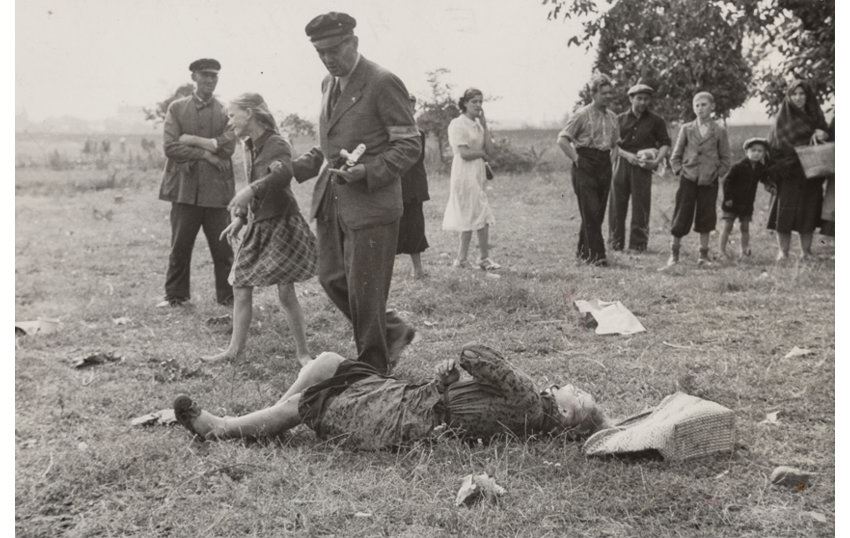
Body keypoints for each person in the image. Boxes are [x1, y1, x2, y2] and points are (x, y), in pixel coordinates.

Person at [290, 12, 420, 373]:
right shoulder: (326, 85)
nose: (329, 58)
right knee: (331, 278)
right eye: (321, 52)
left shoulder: (382, 82)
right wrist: (290, 169)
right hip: (332, 201)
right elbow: (329, 144)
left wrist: (368, 171)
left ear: (354, 43)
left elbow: (409, 145)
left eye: (334, 49)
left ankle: (374, 368)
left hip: (371, 205)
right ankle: (392, 330)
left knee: (366, 290)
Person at [173, 344, 609, 449]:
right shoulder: (530, 409)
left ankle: (222, 428)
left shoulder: (530, 399)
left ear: (566, 411)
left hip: (406, 414)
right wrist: (451, 377)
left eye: (579, 393)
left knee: (308, 403)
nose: (572, 384)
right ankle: (268, 422)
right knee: (326, 364)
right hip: (416, 397)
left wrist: (463, 369)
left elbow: (475, 354)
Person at [195, 94, 317, 365]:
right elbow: (254, 182)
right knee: (240, 285)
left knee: (286, 292)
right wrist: (239, 216)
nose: (229, 121)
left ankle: (303, 354)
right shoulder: (249, 145)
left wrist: (250, 191)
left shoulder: (276, 142)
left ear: (249, 113)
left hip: (282, 223)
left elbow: (283, 174)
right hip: (258, 223)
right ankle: (233, 352)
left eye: (232, 115)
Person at [157, 58, 235, 308]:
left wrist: (193, 140)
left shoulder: (225, 111)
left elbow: (229, 145)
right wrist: (206, 154)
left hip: (216, 192)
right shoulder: (177, 109)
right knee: (180, 246)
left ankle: (229, 297)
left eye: (214, 76)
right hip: (184, 190)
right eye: (205, 75)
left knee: (223, 250)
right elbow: (171, 147)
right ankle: (176, 297)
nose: (210, 80)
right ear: (194, 78)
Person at [661, 91, 731, 269]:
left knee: (706, 216)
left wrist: (716, 173)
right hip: (688, 179)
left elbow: (725, 159)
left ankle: (703, 255)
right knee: (681, 216)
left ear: (712, 107)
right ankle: (674, 254)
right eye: (697, 105)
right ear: (693, 108)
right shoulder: (687, 128)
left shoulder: (719, 130)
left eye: (704, 104)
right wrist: (680, 171)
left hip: (709, 181)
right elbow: (675, 156)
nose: (700, 108)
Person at [557, 75, 619, 266]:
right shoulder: (581, 114)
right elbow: (562, 139)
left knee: (597, 212)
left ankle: (583, 251)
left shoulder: (613, 117)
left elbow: (616, 144)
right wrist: (577, 159)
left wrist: (612, 161)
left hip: (604, 164)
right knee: (590, 210)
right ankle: (597, 256)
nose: (607, 97)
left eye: (610, 93)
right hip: (585, 163)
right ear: (593, 94)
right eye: (603, 93)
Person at [765, 80, 830, 261]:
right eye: (794, 94)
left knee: (808, 211)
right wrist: (784, 163)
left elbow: (827, 137)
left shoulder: (816, 115)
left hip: (811, 171)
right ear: (789, 96)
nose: (798, 97)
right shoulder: (782, 118)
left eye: (802, 94)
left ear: (808, 96)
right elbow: (774, 145)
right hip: (788, 172)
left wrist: (823, 133)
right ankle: (783, 252)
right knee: (784, 212)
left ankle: (806, 252)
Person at [441, 88, 500, 271]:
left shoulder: (478, 124)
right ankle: (482, 258)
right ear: (465, 103)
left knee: (474, 212)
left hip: (477, 172)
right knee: (477, 212)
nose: (478, 105)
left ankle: (462, 259)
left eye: (480, 102)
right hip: (464, 173)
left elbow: (490, 151)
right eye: (474, 101)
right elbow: (464, 153)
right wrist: (481, 153)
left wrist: (484, 124)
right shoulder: (458, 124)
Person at [608, 83, 671, 253]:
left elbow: (665, 143)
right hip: (621, 164)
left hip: (643, 166)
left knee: (641, 205)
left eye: (646, 99)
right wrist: (628, 156)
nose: (643, 102)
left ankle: (638, 245)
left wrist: (656, 161)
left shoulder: (656, 121)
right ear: (631, 98)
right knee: (616, 205)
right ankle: (615, 244)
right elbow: (611, 144)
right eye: (639, 99)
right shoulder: (618, 119)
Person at [718, 138, 769, 259]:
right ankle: (721, 251)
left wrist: (770, 185)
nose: (756, 153)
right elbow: (726, 182)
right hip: (732, 202)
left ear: (764, 154)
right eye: (753, 150)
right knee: (728, 226)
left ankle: (744, 251)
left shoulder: (760, 168)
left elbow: (765, 178)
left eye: (760, 151)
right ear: (747, 152)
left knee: (745, 227)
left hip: (747, 203)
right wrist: (728, 198)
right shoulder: (738, 166)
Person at [397, 95, 430, 279]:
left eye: (411, 107)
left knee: (415, 225)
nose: (408, 110)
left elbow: (412, 159)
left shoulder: (418, 133)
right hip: (395, 185)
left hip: (413, 186)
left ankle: (418, 269)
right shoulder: (388, 132)